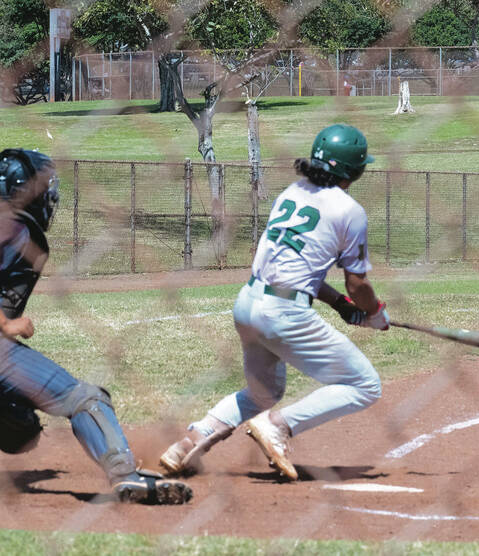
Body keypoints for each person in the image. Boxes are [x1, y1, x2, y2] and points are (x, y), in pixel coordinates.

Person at [160, 124, 388, 480]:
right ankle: (278, 425)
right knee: (365, 385)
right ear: (356, 171)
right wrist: (374, 312)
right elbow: (357, 283)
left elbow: (299, 269)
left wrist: (340, 304)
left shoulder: (292, 193)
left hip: (248, 302)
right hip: (284, 313)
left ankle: (190, 441)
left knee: (263, 392)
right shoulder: (350, 210)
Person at [0, 149, 192, 504]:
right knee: (86, 398)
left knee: (20, 426)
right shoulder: (16, 229)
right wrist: (8, 325)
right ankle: (126, 475)